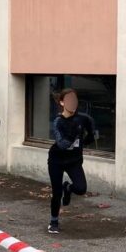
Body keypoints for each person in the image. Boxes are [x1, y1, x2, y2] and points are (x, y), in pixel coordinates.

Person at [47, 88, 96, 234]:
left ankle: (68, 187)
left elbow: (91, 133)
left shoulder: (83, 118)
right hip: (56, 160)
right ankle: (54, 221)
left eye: (74, 100)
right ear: (62, 102)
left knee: (81, 189)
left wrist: (89, 135)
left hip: (74, 160)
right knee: (57, 193)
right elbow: (62, 144)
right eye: (68, 100)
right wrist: (74, 132)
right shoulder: (58, 121)